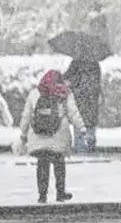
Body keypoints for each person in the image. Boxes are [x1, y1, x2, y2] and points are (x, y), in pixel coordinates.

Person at [18, 69, 86, 204]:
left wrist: (23, 134)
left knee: (42, 164)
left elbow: (26, 115)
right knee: (59, 163)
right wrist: (81, 128)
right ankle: (60, 193)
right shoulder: (64, 93)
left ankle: (42, 195)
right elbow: (73, 113)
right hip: (58, 134)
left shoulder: (35, 93)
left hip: (39, 135)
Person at [64, 56, 102, 152]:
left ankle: (80, 147)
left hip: (79, 96)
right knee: (90, 121)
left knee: (79, 121)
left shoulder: (76, 62)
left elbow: (67, 77)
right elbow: (97, 81)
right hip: (92, 97)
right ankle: (90, 144)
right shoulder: (95, 63)